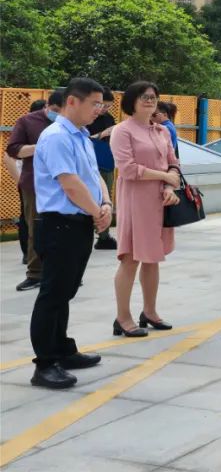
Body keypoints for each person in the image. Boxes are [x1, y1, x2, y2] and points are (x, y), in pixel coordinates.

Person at [28, 78, 111, 389]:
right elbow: (70, 183)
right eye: (94, 104)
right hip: (59, 224)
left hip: (79, 223)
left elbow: (93, 176)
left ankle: (62, 348)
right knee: (52, 294)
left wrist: (105, 203)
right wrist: (95, 211)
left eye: (100, 104)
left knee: (66, 290)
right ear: (72, 102)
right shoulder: (57, 137)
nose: (98, 110)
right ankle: (45, 364)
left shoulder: (82, 137)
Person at [110, 82, 182, 337]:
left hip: (161, 200)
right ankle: (123, 317)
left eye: (153, 97)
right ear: (131, 101)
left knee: (153, 258)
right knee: (131, 259)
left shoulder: (162, 131)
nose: (150, 101)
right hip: (135, 200)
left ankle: (149, 312)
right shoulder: (122, 131)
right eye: (144, 97)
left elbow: (173, 163)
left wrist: (169, 186)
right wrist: (163, 175)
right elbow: (128, 169)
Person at [7, 90, 64, 291]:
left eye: (63, 111)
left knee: (62, 230)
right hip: (35, 184)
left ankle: (60, 271)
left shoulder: (71, 124)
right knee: (35, 228)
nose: (59, 115)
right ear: (47, 106)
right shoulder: (27, 121)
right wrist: (39, 146)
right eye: (55, 110)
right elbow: (13, 150)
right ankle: (35, 273)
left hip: (64, 184)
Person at [87, 90, 119, 249]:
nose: (105, 109)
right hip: (91, 163)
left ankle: (104, 236)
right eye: (103, 106)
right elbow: (83, 139)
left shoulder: (109, 118)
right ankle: (95, 232)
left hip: (107, 161)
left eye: (108, 106)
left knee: (106, 198)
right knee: (92, 197)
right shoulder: (87, 118)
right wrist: (102, 134)